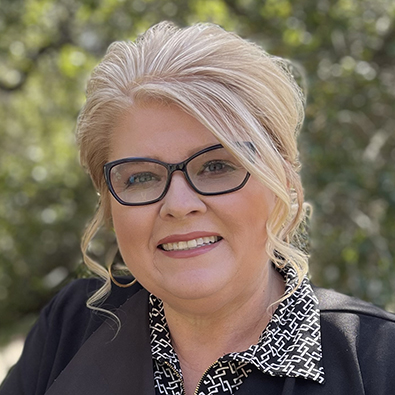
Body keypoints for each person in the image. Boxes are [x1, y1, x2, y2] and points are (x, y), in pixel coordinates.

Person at [1, 21, 394, 395]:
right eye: (140, 177)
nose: (179, 204)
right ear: (108, 202)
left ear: (282, 181)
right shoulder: (71, 328)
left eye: (217, 166)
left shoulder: (378, 360)